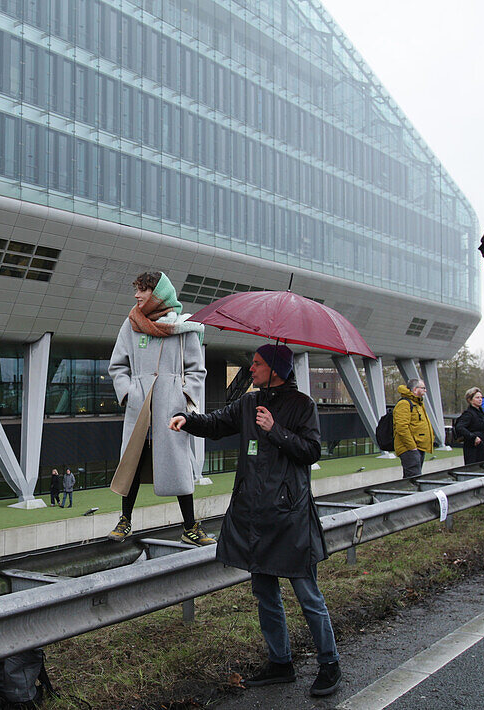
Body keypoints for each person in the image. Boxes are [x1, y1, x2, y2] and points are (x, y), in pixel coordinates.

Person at [169, 344, 341, 698]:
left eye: (259, 364)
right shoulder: (249, 403)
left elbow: (310, 452)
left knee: (307, 594)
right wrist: (188, 421)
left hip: (290, 517)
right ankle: (280, 663)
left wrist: (275, 429)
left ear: (276, 369)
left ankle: (330, 663)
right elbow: (217, 423)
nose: (253, 368)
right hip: (254, 515)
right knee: (265, 593)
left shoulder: (303, 406)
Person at [107, 271, 212, 547]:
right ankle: (125, 520)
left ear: (157, 293)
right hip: (139, 407)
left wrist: (184, 398)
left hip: (172, 409)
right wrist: (129, 393)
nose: (136, 296)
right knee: (132, 461)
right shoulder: (131, 324)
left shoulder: (185, 328)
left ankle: (190, 527)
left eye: (142, 290)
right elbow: (117, 366)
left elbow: (197, 370)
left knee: (179, 464)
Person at [393, 379, 433, 478]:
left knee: (414, 477)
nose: (425, 390)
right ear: (415, 389)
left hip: (418, 447)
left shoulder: (418, 403)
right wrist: (412, 447)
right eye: (423, 388)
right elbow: (402, 428)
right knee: (413, 479)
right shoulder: (404, 404)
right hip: (410, 449)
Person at [454, 387, 484, 464]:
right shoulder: (468, 414)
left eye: (481, 397)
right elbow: (459, 427)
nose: (480, 399)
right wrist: (473, 437)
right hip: (473, 448)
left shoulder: (481, 412)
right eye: (477, 397)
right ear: (470, 400)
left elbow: (483, 426)